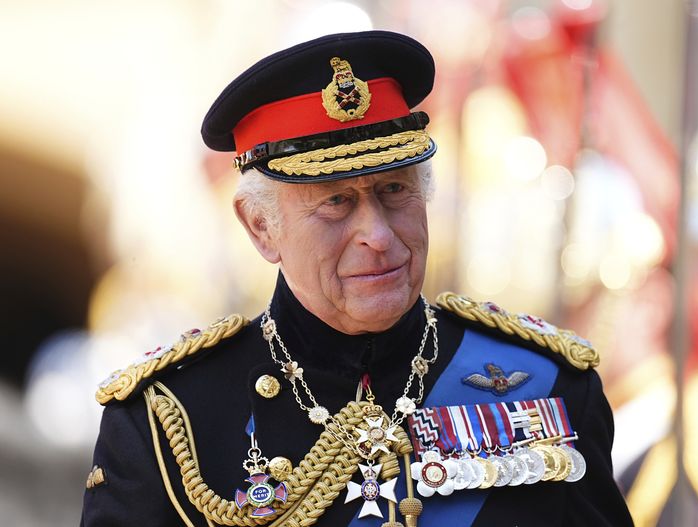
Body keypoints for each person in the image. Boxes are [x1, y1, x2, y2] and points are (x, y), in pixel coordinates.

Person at [81, 30, 633, 526]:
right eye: (337, 203)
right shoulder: (165, 418)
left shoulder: (548, 384)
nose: (379, 235)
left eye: (395, 191)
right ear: (261, 227)